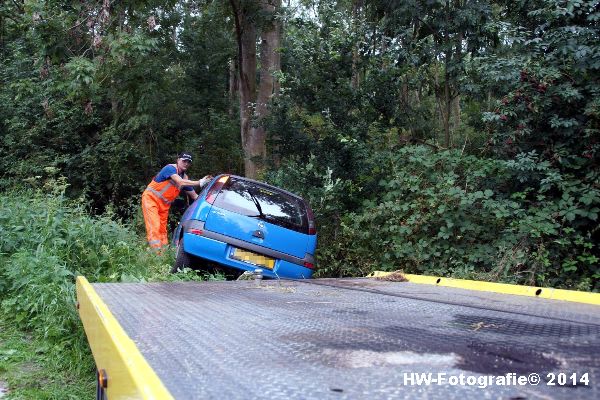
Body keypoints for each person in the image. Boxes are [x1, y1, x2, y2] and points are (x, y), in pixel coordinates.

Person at [142, 152, 212, 250]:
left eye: (188, 162)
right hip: (151, 199)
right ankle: (156, 255)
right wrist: (199, 182)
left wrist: (210, 204)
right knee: (155, 226)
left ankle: (164, 253)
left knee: (162, 230)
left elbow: (195, 196)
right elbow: (179, 181)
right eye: (184, 161)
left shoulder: (185, 178)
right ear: (178, 160)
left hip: (164, 206)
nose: (186, 163)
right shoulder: (170, 169)